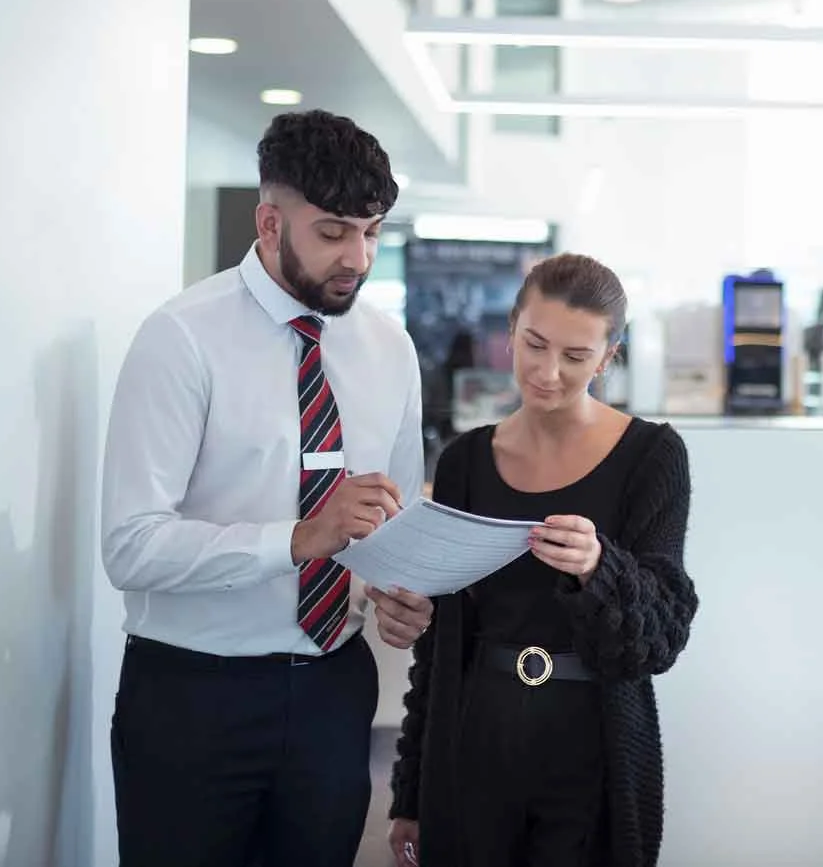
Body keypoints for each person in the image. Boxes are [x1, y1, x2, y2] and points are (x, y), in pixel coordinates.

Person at [100, 110, 436, 867]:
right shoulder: (181, 337)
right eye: (332, 232)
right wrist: (300, 537)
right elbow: (129, 545)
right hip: (192, 695)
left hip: (333, 691)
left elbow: (395, 519)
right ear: (270, 221)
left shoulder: (389, 347)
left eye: (373, 231)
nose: (358, 256)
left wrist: (405, 593)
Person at [388, 254, 698, 867]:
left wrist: (598, 567)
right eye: (534, 344)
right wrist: (410, 793)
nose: (547, 372)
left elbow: (663, 637)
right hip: (477, 743)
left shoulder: (651, 457)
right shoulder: (465, 462)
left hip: (594, 751)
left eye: (577, 357)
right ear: (510, 329)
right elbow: (442, 649)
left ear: (609, 358)